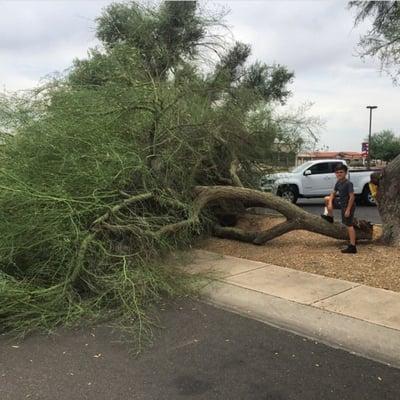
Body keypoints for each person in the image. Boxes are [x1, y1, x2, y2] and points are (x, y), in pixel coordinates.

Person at [321, 164, 357, 254]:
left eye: (341, 172)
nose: (339, 174)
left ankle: (353, 246)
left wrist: (348, 210)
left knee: (349, 225)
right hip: (341, 203)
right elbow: (333, 193)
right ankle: (330, 217)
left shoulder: (348, 183)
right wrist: (329, 204)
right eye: (337, 172)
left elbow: (352, 197)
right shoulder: (338, 182)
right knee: (327, 198)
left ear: (345, 173)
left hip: (348, 205)